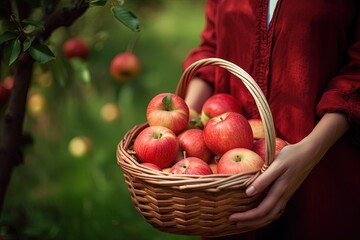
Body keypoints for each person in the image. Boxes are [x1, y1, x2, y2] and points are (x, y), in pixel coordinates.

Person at [182, 0, 360, 239]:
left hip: (322, 166)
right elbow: (213, 45)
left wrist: (309, 153)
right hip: (226, 184)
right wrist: (182, 125)